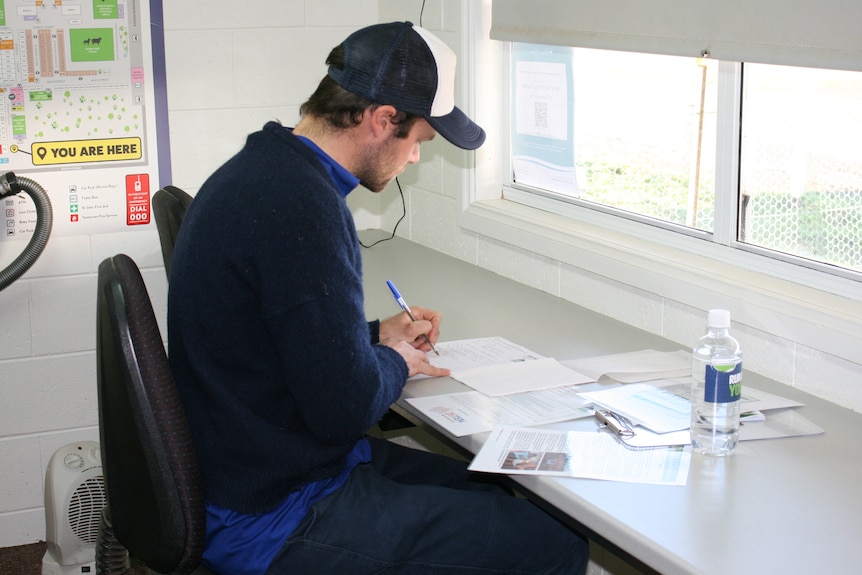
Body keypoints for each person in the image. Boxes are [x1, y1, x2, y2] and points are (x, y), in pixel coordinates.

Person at [168, 21, 590, 575]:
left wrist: (372, 336)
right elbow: (343, 409)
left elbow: (272, 336)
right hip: (268, 514)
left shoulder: (263, 169)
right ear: (382, 119)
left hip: (252, 463)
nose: (414, 159)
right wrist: (396, 359)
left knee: (492, 493)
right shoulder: (304, 210)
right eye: (416, 140)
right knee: (553, 544)